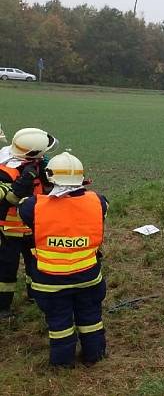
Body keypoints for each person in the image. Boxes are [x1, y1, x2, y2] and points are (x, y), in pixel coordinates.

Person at [17, 152, 108, 367]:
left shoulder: (32, 207)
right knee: (91, 317)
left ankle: (63, 364)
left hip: (50, 282)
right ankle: (95, 355)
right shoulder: (98, 202)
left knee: (60, 324)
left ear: (50, 178)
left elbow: (22, 209)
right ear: (81, 178)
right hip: (88, 277)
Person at [0, 127, 57, 318]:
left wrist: (49, 177)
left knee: (35, 265)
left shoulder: (37, 168)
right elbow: (8, 200)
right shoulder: (4, 170)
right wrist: (23, 182)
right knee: (6, 269)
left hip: (33, 227)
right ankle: (3, 307)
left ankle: (35, 296)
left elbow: (47, 193)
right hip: (8, 230)